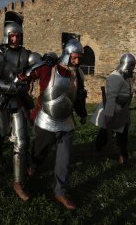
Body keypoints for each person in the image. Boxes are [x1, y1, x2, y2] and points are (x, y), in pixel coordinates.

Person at [17, 39, 88, 210]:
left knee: (65, 159)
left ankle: (61, 191)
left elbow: (77, 98)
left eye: (80, 58)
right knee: (40, 152)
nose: (77, 62)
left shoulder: (78, 75)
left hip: (66, 122)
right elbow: (23, 77)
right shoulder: (47, 68)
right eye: (75, 58)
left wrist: (83, 113)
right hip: (46, 120)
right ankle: (33, 167)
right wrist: (37, 65)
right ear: (67, 55)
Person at [0, 21, 41, 201]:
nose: (15, 39)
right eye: (12, 35)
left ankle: (19, 182)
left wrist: (50, 59)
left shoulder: (26, 55)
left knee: (22, 140)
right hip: (0, 100)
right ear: (7, 36)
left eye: (18, 35)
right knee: (0, 132)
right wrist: (14, 88)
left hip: (19, 101)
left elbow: (40, 67)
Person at [91, 53, 136, 164]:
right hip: (114, 110)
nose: (133, 68)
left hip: (122, 110)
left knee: (121, 135)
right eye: (132, 65)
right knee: (106, 134)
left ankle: (122, 157)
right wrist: (108, 115)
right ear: (129, 64)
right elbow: (111, 97)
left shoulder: (127, 76)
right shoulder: (115, 76)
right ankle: (99, 152)